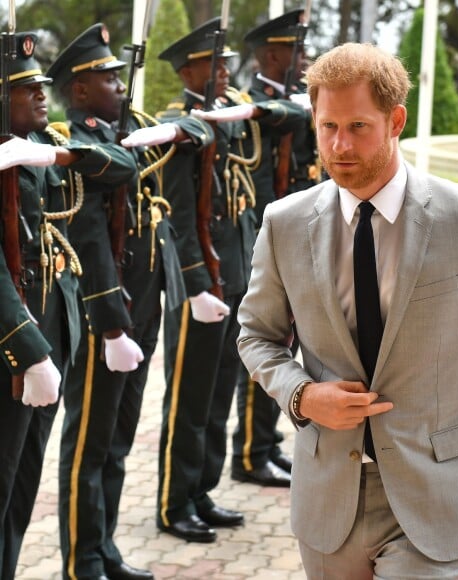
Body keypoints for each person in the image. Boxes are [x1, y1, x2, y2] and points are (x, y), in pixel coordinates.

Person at [237, 43, 458, 579]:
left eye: (358, 126)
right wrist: (300, 394)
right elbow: (255, 334)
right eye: (327, 128)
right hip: (328, 498)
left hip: (435, 491)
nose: (339, 145)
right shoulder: (284, 223)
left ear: (396, 121)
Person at [46, 23, 214, 580]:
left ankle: (106, 550)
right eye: (106, 79)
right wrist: (113, 325)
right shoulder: (77, 146)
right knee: (89, 444)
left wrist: (156, 136)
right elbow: (91, 239)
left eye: (120, 77)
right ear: (79, 91)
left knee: (118, 443)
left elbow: (196, 127)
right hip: (108, 316)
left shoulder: (132, 130)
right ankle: (80, 560)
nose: (120, 87)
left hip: (143, 309)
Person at [155, 17, 307, 542]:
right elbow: (179, 216)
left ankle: (201, 490)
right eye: (213, 64)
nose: (224, 71)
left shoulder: (232, 117)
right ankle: (175, 503)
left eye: (225, 62)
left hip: (234, 277)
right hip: (203, 287)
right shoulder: (178, 126)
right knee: (189, 399)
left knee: (219, 393)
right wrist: (197, 284)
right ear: (187, 69)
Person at [0, 32, 135, 580]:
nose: (40, 94)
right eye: (25, 87)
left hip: (54, 335)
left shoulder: (42, 148)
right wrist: (28, 351)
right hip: (15, 347)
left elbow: (123, 166)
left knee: (20, 490)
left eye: (41, 86)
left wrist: (56, 153)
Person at [231, 8, 320, 487]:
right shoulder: (257, 106)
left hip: (302, 235)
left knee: (289, 342)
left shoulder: (292, 101)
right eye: (295, 51)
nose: (304, 58)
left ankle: (266, 444)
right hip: (273, 238)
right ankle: (249, 451)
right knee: (268, 342)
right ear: (270, 55)